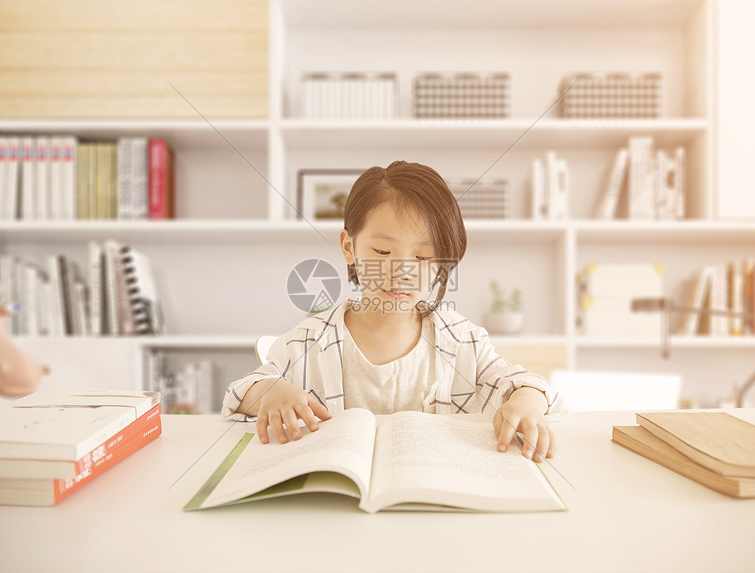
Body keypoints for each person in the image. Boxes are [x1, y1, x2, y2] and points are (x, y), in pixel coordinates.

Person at [222, 160, 567, 461]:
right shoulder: (310, 339)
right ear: (349, 247)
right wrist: (270, 393)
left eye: (422, 257)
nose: (402, 270)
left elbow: (522, 383)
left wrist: (527, 402)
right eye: (383, 252)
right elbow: (242, 391)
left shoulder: (462, 341)